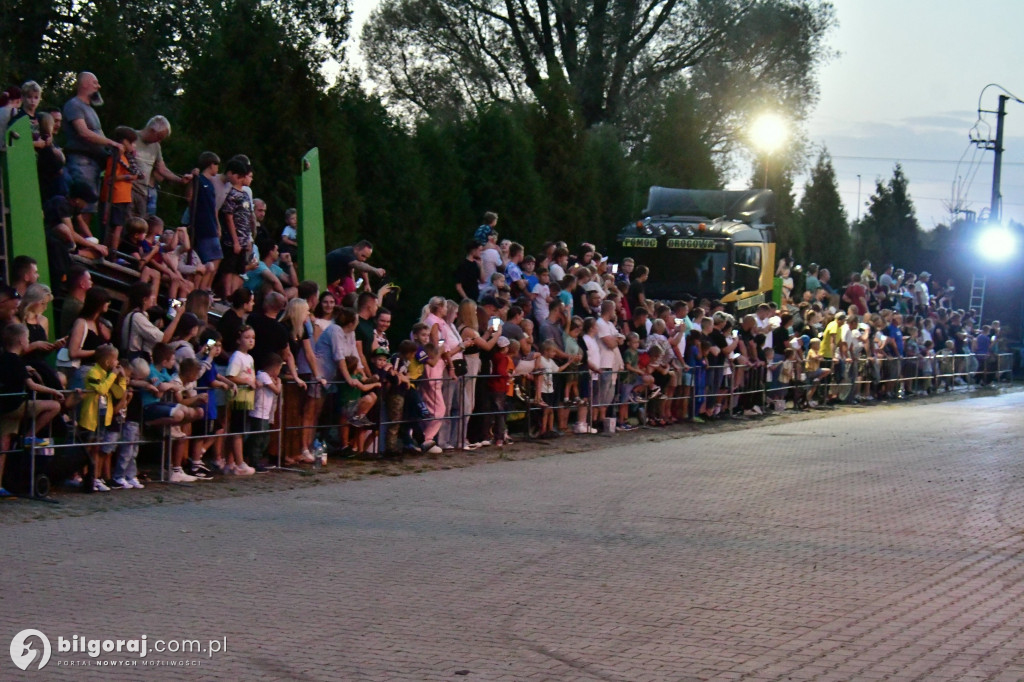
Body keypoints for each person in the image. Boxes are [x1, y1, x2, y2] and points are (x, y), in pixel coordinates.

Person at [62, 72, 122, 227]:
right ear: (84, 84)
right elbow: (83, 132)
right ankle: (78, 245)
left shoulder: (90, 109)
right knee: (81, 206)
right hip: (81, 163)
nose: (98, 86)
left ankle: (87, 244)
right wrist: (111, 143)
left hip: (94, 165)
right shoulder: (74, 105)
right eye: (95, 83)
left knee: (90, 207)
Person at [132, 115, 193, 217]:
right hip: (128, 187)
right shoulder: (132, 137)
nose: (159, 141)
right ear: (152, 130)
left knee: (139, 226)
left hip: (142, 192)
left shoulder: (156, 147)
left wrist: (180, 180)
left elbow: (162, 169)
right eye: (159, 137)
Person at [100, 126, 144, 251]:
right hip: (115, 196)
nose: (133, 146)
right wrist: (129, 176)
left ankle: (112, 251)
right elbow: (110, 178)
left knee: (119, 226)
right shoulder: (114, 157)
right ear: (124, 142)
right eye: (131, 143)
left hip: (123, 196)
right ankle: (111, 252)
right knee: (115, 227)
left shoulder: (126, 157)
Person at [218, 156, 255, 297]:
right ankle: (226, 295)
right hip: (233, 239)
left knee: (238, 269)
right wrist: (235, 241)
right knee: (228, 268)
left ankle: (234, 295)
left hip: (244, 238)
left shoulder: (245, 194)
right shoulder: (232, 194)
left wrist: (247, 239)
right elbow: (229, 217)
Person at [224, 327, 257, 476]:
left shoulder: (249, 358)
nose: (250, 340)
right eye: (247, 337)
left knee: (239, 430)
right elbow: (230, 376)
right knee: (237, 431)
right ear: (239, 340)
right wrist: (246, 381)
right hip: (239, 397)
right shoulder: (237, 356)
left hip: (247, 398)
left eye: (253, 337)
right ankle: (239, 462)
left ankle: (231, 462)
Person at [245, 352, 283, 471]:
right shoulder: (263, 376)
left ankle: (257, 458)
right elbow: (276, 390)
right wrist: (279, 383)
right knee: (258, 438)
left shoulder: (267, 378)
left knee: (264, 437)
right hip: (258, 412)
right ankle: (254, 460)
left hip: (265, 413)